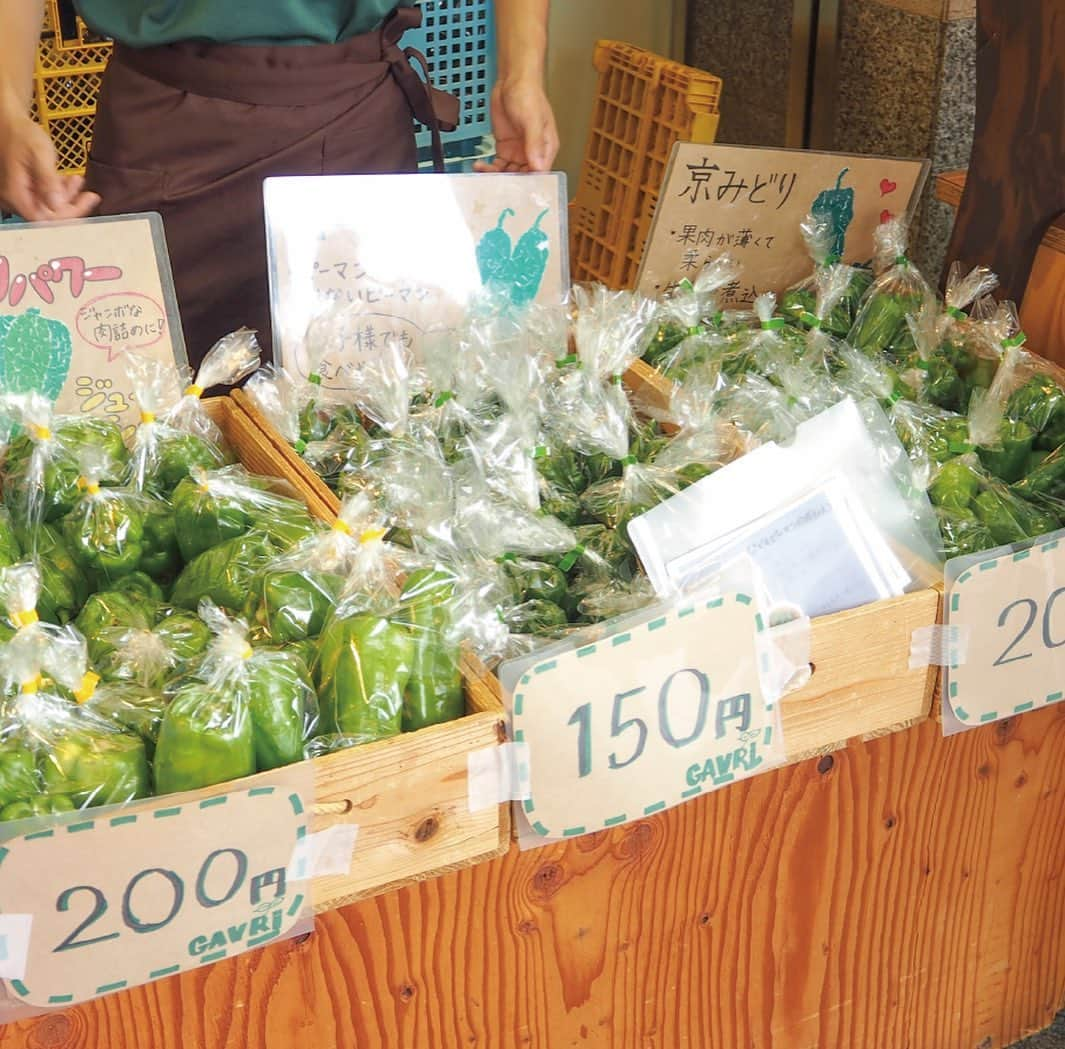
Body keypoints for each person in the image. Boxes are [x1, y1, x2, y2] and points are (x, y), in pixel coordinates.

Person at [0, 0, 559, 364]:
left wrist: (522, 75)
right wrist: (5, 107)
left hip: (357, 123)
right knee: (158, 420)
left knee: (365, 418)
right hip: (169, 127)